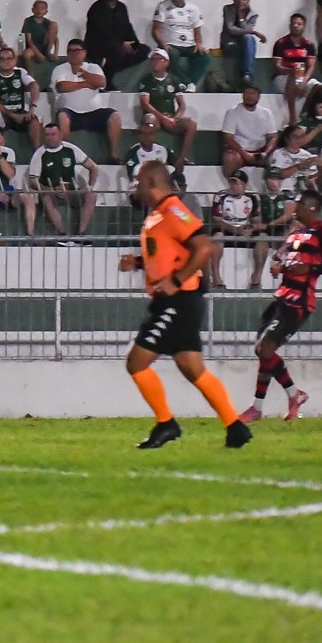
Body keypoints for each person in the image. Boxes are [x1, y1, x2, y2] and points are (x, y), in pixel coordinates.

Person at [119, 161, 252, 450]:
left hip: (179, 300)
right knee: (192, 368)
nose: (136, 187)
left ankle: (166, 424)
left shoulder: (174, 210)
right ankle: (235, 427)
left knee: (137, 362)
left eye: (140, 182)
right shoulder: (158, 214)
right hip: (177, 300)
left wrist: (177, 281)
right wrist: (139, 263)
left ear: (153, 182)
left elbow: (203, 247)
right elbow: (168, 253)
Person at [239, 190, 322, 425]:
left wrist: (312, 270)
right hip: (282, 297)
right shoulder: (296, 232)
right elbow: (287, 260)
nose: (294, 208)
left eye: (298, 205)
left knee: (265, 349)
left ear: (311, 208)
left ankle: (272, 403)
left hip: (299, 302)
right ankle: (281, 400)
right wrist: (279, 267)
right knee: (262, 351)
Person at [25, 121, 97, 241]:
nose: (50, 138)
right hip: (52, 192)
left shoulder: (70, 149)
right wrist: (51, 190)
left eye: (53, 134)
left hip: (71, 192)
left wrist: (90, 186)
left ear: (60, 134)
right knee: (46, 198)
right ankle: (63, 235)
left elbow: (93, 167)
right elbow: (32, 181)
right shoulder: (40, 153)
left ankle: (81, 234)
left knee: (91, 195)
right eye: (47, 135)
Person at [51, 39, 121, 157]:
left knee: (115, 116)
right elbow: (62, 86)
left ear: (84, 52)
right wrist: (86, 84)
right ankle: (65, 154)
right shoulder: (60, 69)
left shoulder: (93, 67)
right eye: (70, 51)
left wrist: (83, 73)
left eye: (77, 50)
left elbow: (101, 82)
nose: (73, 54)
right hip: (71, 112)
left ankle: (113, 154)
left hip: (94, 113)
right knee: (62, 116)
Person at [134, 50, 197, 176]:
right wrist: (163, 118)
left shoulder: (173, 80)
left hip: (170, 116)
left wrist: (175, 118)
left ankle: (181, 158)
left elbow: (182, 104)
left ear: (166, 62)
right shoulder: (146, 80)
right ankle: (149, 155)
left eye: (159, 59)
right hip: (155, 116)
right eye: (153, 59)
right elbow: (145, 103)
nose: (155, 62)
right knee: (149, 122)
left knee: (191, 124)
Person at [82, 0, 146, 84]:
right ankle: (106, 78)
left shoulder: (122, 7)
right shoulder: (96, 8)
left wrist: (134, 43)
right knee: (117, 50)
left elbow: (127, 27)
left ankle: (112, 68)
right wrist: (122, 44)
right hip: (98, 45)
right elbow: (100, 33)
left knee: (144, 50)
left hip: (118, 45)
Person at [150, 0, 208, 88]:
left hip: (189, 45)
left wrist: (199, 43)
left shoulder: (194, 9)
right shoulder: (163, 6)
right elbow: (156, 30)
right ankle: (187, 83)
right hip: (171, 45)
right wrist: (162, 44)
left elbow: (197, 31)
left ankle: (188, 83)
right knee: (172, 55)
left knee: (204, 57)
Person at [0, 45, 42, 147]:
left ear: (15, 60)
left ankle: (37, 153)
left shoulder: (20, 72)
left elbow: (34, 86)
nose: (6, 61)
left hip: (19, 111)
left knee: (34, 121)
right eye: (2, 59)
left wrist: (32, 107)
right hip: (1, 113)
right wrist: (12, 115)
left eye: (9, 58)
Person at [220, 0, 264, 88]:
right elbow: (231, 29)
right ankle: (245, 75)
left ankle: (247, 76)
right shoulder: (228, 9)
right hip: (229, 43)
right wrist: (254, 32)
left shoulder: (253, 14)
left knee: (248, 38)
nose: (241, 2)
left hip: (244, 44)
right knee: (249, 37)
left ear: (248, 0)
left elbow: (247, 31)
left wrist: (240, 16)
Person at [19, 0, 57, 67]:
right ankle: (30, 74)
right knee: (26, 55)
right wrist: (37, 54)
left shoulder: (48, 23)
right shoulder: (28, 21)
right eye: (37, 8)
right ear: (32, 10)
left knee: (54, 24)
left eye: (42, 9)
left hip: (45, 47)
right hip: (32, 49)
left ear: (46, 11)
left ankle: (48, 52)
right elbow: (29, 40)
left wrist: (55, 52)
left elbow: (55, 39)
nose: (39, 11)